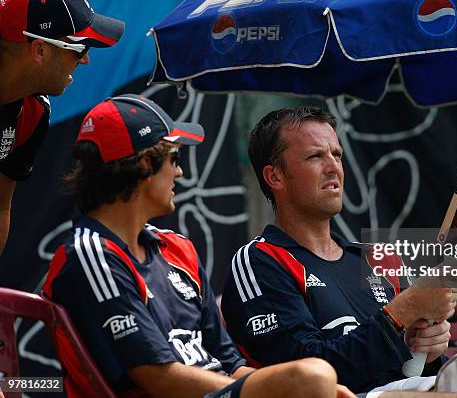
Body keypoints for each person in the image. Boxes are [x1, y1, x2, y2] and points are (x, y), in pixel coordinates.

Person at [221, 106, 457, 398]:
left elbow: (415, 362)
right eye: (314, 157)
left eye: (336, 155)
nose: (333, 167)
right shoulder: (260, 261)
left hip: (418, 387)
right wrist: (404, 310)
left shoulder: (376, 260)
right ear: (274, 177)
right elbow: (306, 375)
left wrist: (429, 346)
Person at [42, 96, 358, 398]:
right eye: (174, 159)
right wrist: (279, 389)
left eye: (336, 155)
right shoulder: (91, 254)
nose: (180, 172)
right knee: (313, 375)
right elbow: (160, 380)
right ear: (142, 165)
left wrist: (295, 389)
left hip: (216, 390)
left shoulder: (177, 249)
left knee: (322, 381)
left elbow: (231, 366)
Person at [0, 0, 124, 256]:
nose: (85, 61)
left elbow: (0, 206)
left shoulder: (33, 113)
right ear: (40, 50)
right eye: (80, 49)